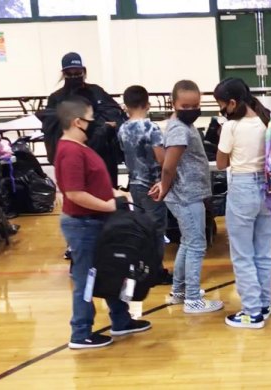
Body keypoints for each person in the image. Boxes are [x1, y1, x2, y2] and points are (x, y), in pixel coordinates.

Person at [55, 97, 150, 350]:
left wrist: (114, 193)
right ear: (77, 122)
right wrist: (109, 205)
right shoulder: (70, 151)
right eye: (90, 118)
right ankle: (80, 332)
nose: (95, 122)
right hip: (84, 224)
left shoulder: (81, 147)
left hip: (97, 221)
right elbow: (75, 193)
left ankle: (121, 320)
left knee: (111, 271)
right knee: (86, 278)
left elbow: (92, 184)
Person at [40, 52, 126, 261]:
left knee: (105, 197)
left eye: (77, 72)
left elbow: (113, 116)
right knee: (77, 200)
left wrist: (99, 129)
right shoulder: (56, 99)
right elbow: (53, 127)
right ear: (63, 74)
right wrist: (96, 126)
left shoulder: (97, 92)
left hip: (102, 160)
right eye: (69, 73)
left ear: (84, 71)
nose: (74, 76)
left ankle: (107, 240)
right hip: (74, 160)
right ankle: (76, 244)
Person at [149, 80, 223, 314]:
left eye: (195, 105)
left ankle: (180, 292)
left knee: (188, 243)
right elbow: (168, 166)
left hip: (185, 194)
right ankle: (193, 299)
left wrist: (165, 185)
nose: (191, 110)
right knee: (197, 245)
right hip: (186, 196)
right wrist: (164, 185)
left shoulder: (178, 124)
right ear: (174, 104)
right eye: (186, 105)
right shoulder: (180, 128)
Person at [213, 77, 271, 328]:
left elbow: (221, 163)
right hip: (268, 189)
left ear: (232, 102)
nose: (222, 110)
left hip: (243, 187)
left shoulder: (232, 127)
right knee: (263, 252)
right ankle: (264, 303)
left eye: (222, 105)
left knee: (242, 254)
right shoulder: (266, 121)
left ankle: (251, 312)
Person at [117, 85, 172, 286]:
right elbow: (161, 158)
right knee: (156, 230)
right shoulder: (151, 128)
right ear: (147, 104)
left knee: (142, 229)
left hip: (134, 184)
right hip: (152, 185)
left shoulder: (123, 128)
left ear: (126, 105)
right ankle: (155, 272)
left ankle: (142, 267)